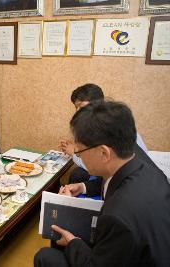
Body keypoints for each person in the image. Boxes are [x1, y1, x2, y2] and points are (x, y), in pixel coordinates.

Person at [34, 101, 170, 267]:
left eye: (79, 151)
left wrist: (73, 242)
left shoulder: (118, 216)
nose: (78, 156)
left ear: (104, 153)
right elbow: (113, 180)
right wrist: (83, 187)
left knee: (45, 255)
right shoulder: (143, 165)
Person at [59, 83, 148, 185]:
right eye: (76, 108)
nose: (78, 112)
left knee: (77, 174)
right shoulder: (101, 122)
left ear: (98, 104)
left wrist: (74, 153)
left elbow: (98, 163)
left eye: (81, 106)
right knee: (77, 174)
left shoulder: (107, 127)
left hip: (131, 176)